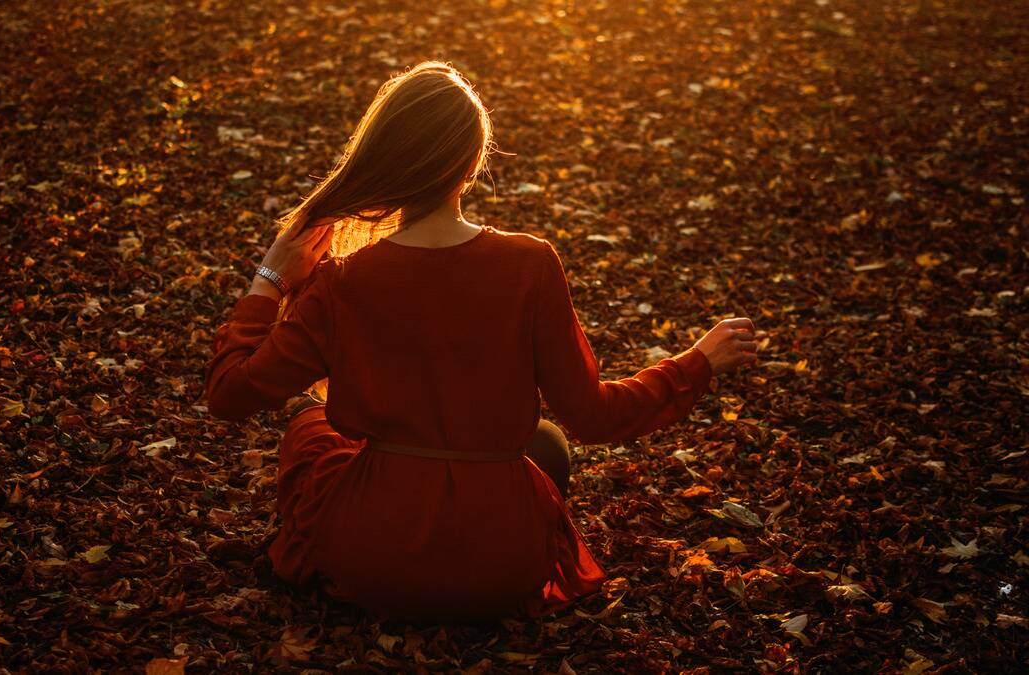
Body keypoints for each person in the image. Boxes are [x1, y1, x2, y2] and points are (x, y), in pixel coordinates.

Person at [204, 61, 757, 621]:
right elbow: (594, 416)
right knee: (545, 445)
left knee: (312, 426)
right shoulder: (530, 265)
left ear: (386, 159)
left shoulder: (342, 282)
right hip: (505, 565)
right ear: (471, 164)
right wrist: (697, 363)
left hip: (372, 561)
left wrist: (270, 279)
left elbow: (230, 393)